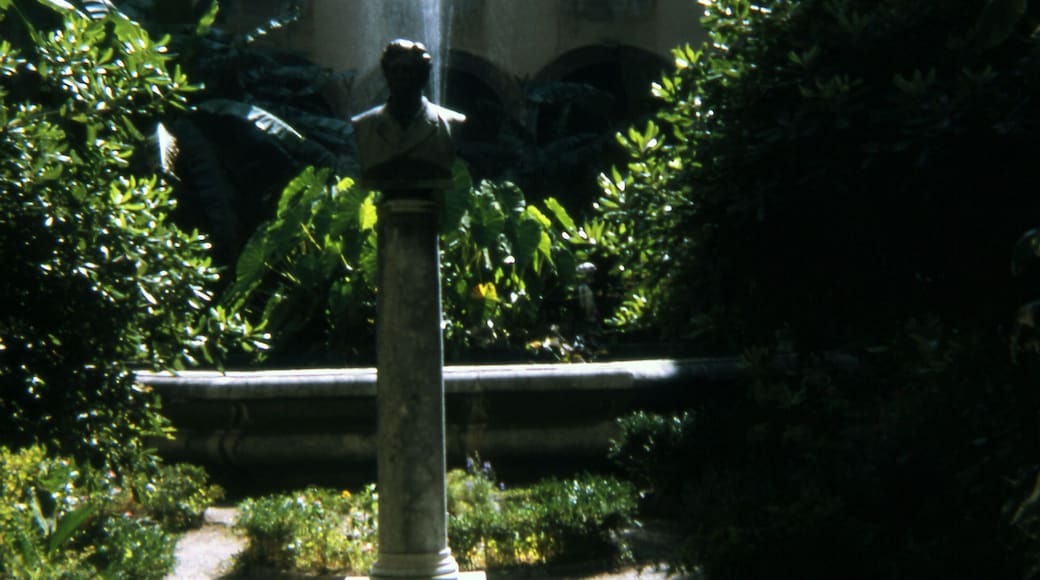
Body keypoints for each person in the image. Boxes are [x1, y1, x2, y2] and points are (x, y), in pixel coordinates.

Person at [351, 39, 466, 193]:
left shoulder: (452, 122)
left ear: (422, 75)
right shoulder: (363, 125)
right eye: (395, 70)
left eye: (408, 70)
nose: (401, 77)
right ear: (386, 74)